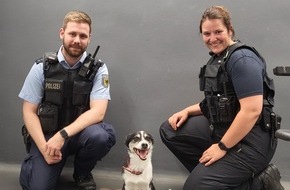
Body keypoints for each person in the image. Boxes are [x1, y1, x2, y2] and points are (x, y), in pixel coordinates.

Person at [160, 6, 284, 190]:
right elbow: (217, 103)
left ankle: (261, 182)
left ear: (230, 30)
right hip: (227, 126)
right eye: (206, 33)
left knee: (195, 187)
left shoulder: (242, 59)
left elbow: (252, 110)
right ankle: (218, 180)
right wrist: (186, 110)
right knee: (170, 130)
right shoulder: (220, 58)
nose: (212, 38)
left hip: (253, 138)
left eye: (218, 32)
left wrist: (222, 147)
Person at [19, 10, 116, 190]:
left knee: (101, 136)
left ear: (89, 38)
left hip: (80, 135)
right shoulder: (42, 67)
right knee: (36, 187)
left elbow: (98, 111)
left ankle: (82, 173)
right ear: (62, 33)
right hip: (48, 137)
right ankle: (36, 165)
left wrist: (63, 135)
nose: (77, 40)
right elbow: (29, 111)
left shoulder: (99, 69)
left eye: (83, 35)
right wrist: (43, 147)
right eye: (72, 34)